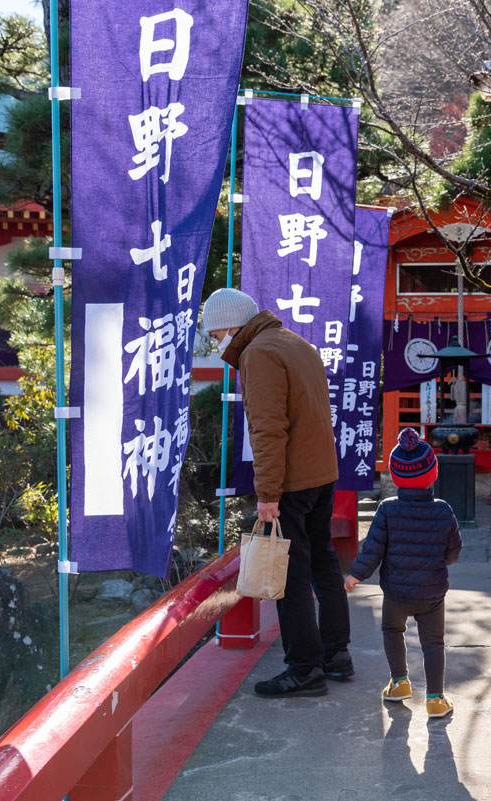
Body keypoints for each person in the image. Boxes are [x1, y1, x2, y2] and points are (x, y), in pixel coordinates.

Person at [202, 287, 352, 698]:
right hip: (322, 473)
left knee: (290, 575)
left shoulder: (259, 354)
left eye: (217, 336)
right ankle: (336, 654)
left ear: (232, 324)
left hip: (291, 481)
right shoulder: (295, 342)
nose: (218, 344)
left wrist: (266, 493)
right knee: (323, 562)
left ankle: (304, 668)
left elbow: (268, 431)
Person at [344, 428, 462, 718]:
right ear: (433, 474)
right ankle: (435, 699)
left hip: (396, 593)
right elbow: (453, 550)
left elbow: (373, 548)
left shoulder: (387, 509)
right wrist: (444, 560)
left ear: (396, 477)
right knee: (433, 643)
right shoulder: (443, 510)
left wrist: (355, 574)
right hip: (432, 593)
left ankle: (399, 683)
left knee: (392, 631)